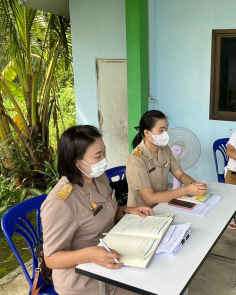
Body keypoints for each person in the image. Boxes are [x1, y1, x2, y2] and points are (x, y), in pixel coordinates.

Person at [41, 125, 153, 295]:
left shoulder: (98, 177)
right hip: (81, 275)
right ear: (76, 162)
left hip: (110, 252)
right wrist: (90, 255)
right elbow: (51, 259)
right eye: (98, 155)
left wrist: (127, 211)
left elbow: (102, 213)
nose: (104, 159)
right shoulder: (61, 202)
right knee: (145, 288)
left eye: (104, 152)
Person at [126, 110, 207, 208]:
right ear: (147, 133)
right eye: (161, 130)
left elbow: (179, 174)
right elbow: (150, 198)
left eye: (166, 129)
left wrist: (195, 185)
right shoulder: (136, 160)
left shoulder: (164, 149)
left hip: (162, 205)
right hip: (143, 213)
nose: (165, 134)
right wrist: (186, 190)